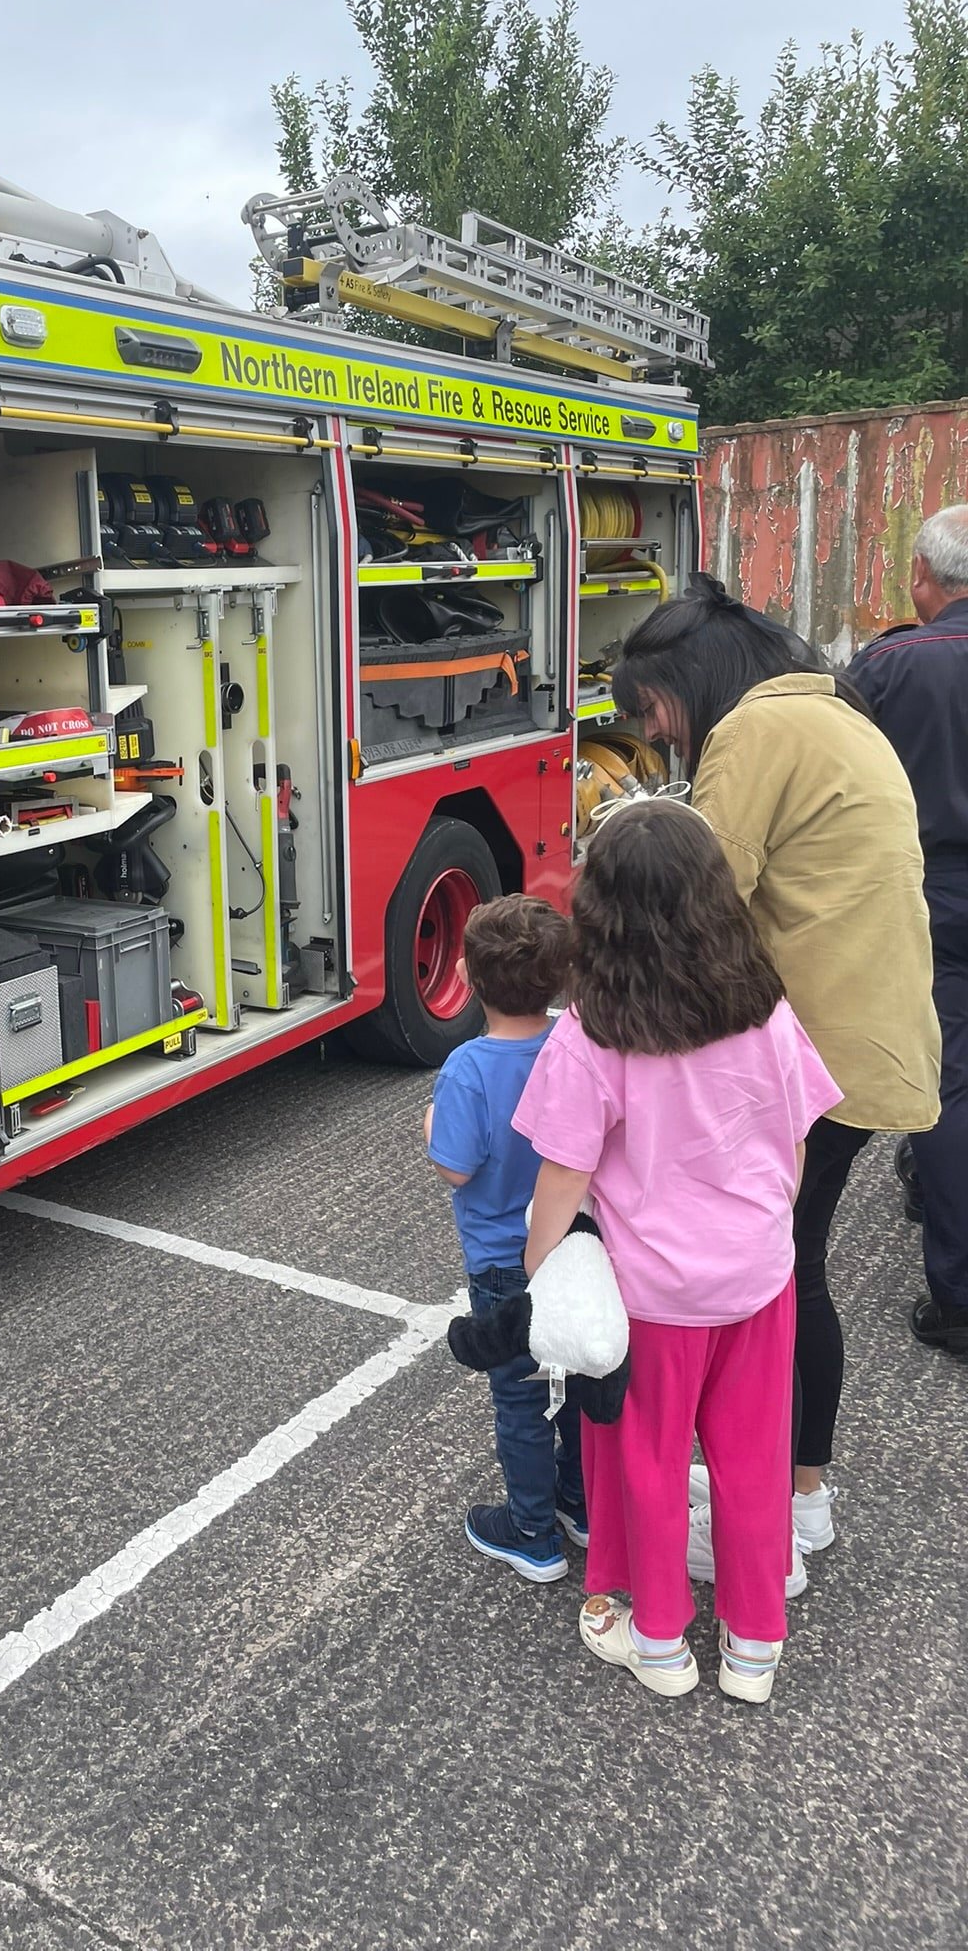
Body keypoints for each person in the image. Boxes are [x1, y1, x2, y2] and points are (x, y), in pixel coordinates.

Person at [610, 577, 939, 1581]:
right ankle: (804, 1493)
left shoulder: (753, 734)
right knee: (794, 1262)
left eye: (651, 715)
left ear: (685, 683)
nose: (655, 739)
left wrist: (602, 1023)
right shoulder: (824, 701)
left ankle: (778, 1519)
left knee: (773, 1278)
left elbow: (698, 907)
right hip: (866, 1030)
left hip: (820, 1053)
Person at [514, 801, 842, 1703]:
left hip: (652, 1293)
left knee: (647, 1462)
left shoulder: (594, 1030)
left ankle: (659, 1639)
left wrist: (535, 1276)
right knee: (750, 1455)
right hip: (756, 1276)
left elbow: (563, 1177)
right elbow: (798, 1137)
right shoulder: (763, 1006)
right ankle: (754, 1643)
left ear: (601, 908)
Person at [424, 894, 582, 1582]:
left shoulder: (468, 1069)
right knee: (575, 1385)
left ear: (466, 974)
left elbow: (456, 1166)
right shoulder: (573, 1041)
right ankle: (581, 1504)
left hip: (501, 1264)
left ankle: (531, 1530)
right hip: (574, 1250)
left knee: (519, 1397)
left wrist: (432, 1125)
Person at [849, 506, 968, 1356]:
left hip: (936, 896)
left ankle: (958, 1294)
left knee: (947, 1082)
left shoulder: (892, 664)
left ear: (925, 578)